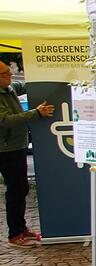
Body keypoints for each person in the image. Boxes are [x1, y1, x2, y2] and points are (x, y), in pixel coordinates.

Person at [0, 61, 54, 248]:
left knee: (21, 188)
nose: (10, 75)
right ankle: (14, 235)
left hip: (17, 145)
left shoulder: (9, 88)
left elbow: (24, 85)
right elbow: (5, 120)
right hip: (6, 149)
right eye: (6, 73)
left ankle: (20, 227)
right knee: (15, 190)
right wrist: (36, 113)